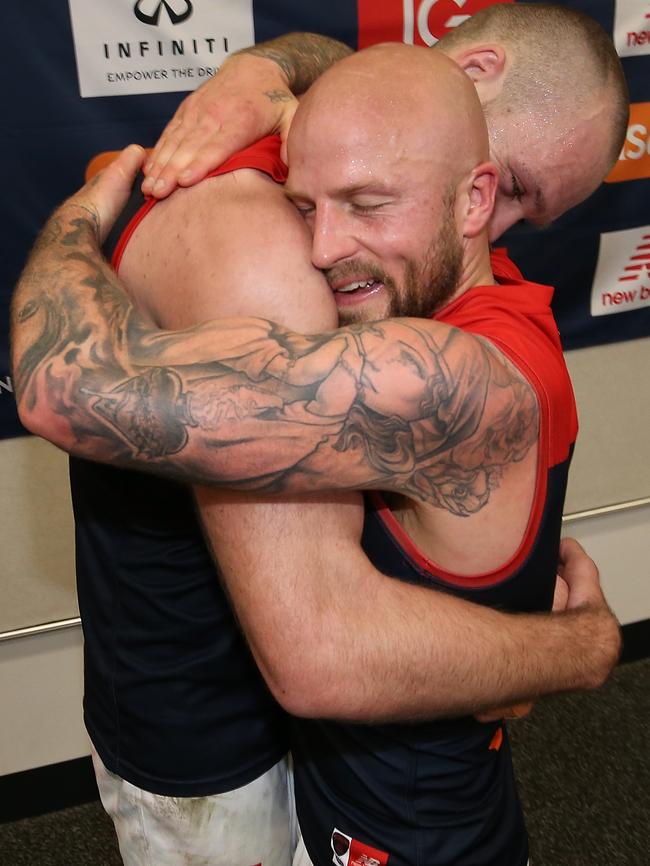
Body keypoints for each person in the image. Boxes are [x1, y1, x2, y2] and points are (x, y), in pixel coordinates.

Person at [12, 41, 622, 866]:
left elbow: (65, 385)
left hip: (394, 809)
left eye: (367, 203)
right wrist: (264, 70)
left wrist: (77, 222)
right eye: (312, 204)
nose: (326, 247)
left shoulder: (448, 364)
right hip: (220, 739)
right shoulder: (283, 227)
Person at [142, 3, 628, 244]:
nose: (493, 232)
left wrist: (72, 243)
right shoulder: (254, 191)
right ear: (475, 72)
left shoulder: (481, 292)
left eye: (525, 222)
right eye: (514, 186)